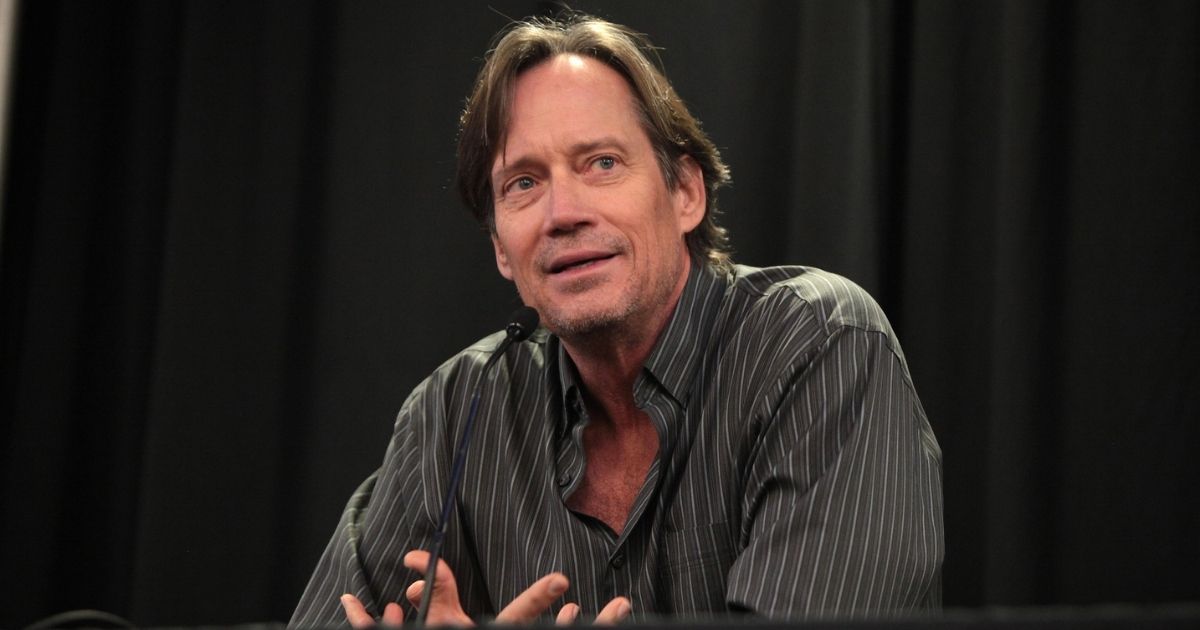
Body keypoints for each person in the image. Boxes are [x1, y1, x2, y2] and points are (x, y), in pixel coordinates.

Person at [291, 13, 942, 628]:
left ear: (685, 191)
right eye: (523, 183)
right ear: (500, 250)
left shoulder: (817, 343)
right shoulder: (452, 412)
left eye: (600, 163)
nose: (562, 212)